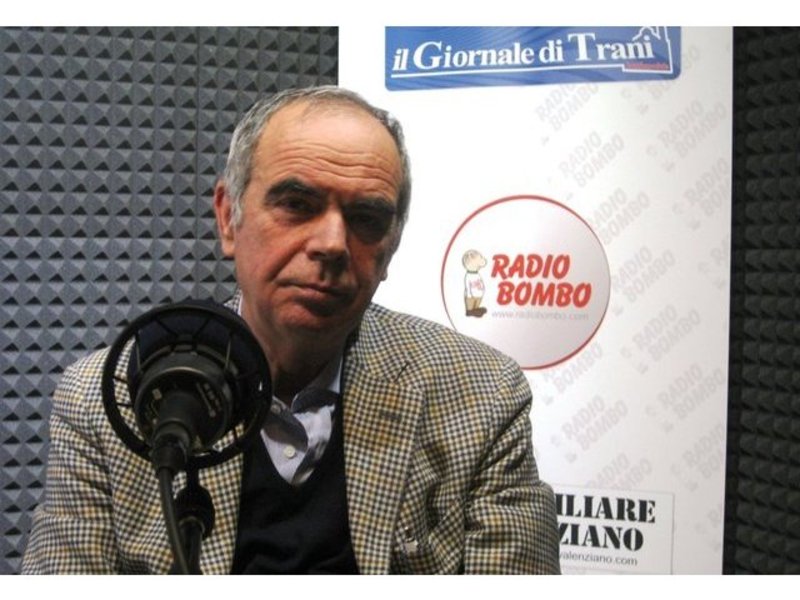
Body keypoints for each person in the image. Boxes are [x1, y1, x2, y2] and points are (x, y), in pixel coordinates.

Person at [21, 86, 561, 574]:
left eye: (367, 219)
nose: (331, 243)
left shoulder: (480, 395)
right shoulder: (108, 398)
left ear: (392, 245)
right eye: (297, 205)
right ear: (228, 217)